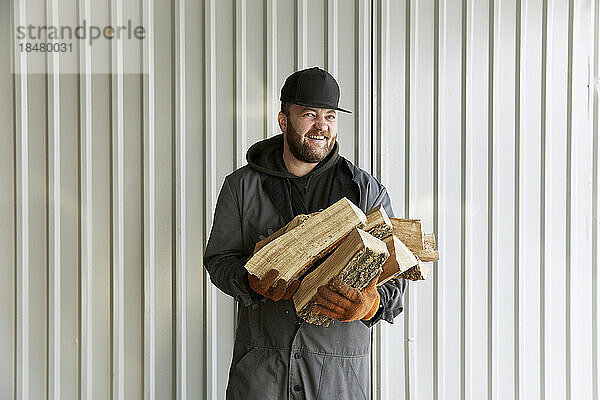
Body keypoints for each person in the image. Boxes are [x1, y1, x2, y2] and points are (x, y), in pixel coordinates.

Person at [204, 66, 407, 400]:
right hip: (261, 376)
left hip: (338, 381)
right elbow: (219, 261)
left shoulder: (366, 192)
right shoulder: (241, 186)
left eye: (330, 116)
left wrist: (369, 306)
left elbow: (396, 281)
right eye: (309, 114)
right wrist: (250, 281)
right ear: (284, 120)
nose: (321, 126)